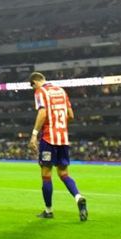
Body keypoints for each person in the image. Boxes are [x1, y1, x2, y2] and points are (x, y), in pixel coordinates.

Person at [27, 72, 88, 221]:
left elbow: (42, 113)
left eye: (32, 86)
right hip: (63, 139)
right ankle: (78, 197)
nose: (33, 88)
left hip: (49, 139)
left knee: (46, 175)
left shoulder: (40, 91)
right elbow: (71, 115)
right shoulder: (61, 91)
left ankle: (48, 211)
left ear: (35, 82)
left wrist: (34, 134)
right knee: (64, 173)